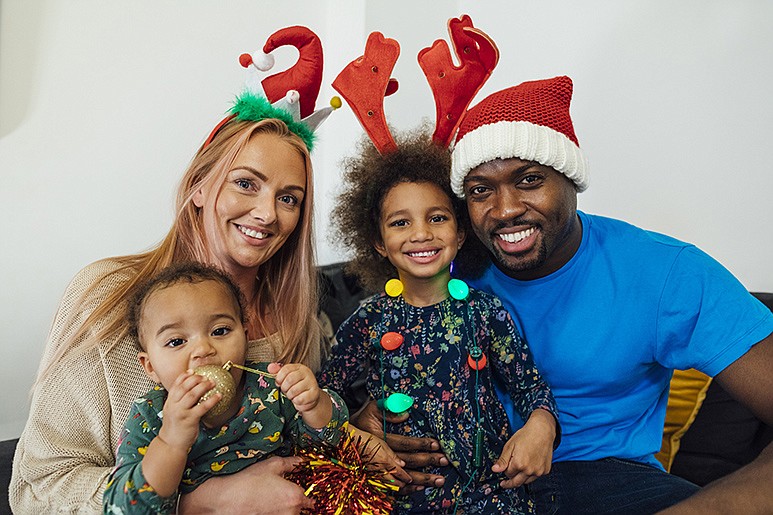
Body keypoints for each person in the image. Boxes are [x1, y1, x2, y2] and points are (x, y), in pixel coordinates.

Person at [11, 25, 336, 514]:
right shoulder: (106, 295)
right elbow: (38, 489)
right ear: (200, 188)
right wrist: (204, 503)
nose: (268, 213)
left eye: (288, 198)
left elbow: (316, 446)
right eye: (247, 184)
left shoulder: (302, 319)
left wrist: (357, 429)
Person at [444, 75, 773, 513]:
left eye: (528, 179)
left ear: (570, 179)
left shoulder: (663, 271)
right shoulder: (446, 272)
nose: (504, 210)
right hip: (471, 481)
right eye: (480, 190)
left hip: (611, 480)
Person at [317, 131, 559, 514]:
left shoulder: (486, 312)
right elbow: (324, 398)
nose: (421, 234)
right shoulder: (367, 320)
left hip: (491, 497)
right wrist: (357, 433)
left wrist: (541, 427)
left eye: (437, 217)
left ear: (460, 232)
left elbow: (531, 388)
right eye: (400, 222)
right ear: (378, 241)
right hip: (399, 499)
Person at [103, 262, 348, 513]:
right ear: (150, 366)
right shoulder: (149, 417)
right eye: (176, 341)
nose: (203, 350)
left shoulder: (270, 386)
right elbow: (122, 507)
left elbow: (328, 443)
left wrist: (315, 403)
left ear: (244, 334)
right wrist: (171, 441)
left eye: (220, 331)